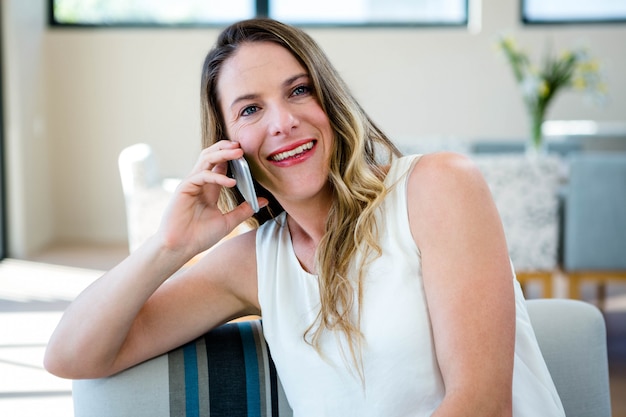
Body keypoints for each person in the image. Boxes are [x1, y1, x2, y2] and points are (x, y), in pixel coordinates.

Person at [45, 18, 565, 416]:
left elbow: (482, 404)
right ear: (230, 147)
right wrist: (169, 247)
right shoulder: (254, 263)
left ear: (329, 101)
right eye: (250, 109)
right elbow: (71, 355)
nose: (284, 122)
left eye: (298, 90)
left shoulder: (436, 187)